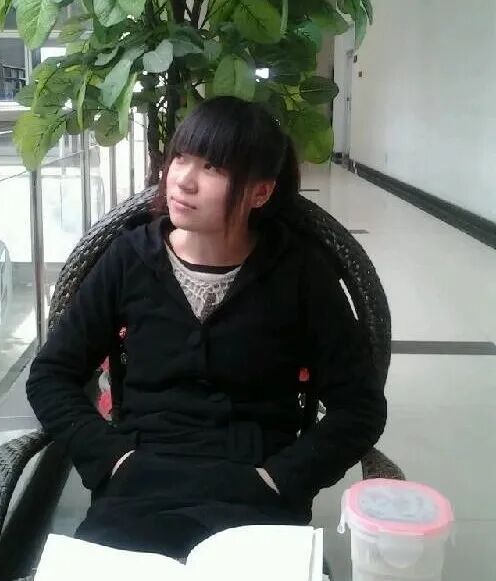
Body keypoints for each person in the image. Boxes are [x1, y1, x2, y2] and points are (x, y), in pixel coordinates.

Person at [26, 96, 387, 560]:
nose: (182, 179)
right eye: (180, 157)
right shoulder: (130, 259)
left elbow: (358, 407)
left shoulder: (299, 272)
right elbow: (51, 375)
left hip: (255, 495)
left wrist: (282, 478)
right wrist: (112, 459)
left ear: (260, 192)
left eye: (212, 167)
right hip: (138, 487)